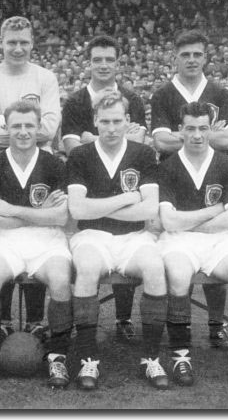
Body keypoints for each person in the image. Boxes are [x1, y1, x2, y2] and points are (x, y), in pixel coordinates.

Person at [66, 92, 168, 390]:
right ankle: (88, 359)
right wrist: (125, 198)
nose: (111, 127)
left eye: (117, 121)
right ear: (95, 121)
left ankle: (151, 358)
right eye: (105, 121)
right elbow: (77, 210)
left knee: (154, 268)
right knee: (85, 270)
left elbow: (149, 209)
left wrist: (99, 204)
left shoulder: (143, 154)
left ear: (128, 122)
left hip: (135, 236)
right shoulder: (80, 155)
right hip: (91, 235)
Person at [158, 101, 228, 387]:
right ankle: (181, 355)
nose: (197, 135)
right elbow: (169, 222)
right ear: (181, 130)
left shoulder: (227, 164)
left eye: (203, 128)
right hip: (178, 242)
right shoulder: (167, 167)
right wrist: (215, 211)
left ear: (211, 129)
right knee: (179, 277)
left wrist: (189, 220)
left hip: (218, 241)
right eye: (190, 128)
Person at [0, 16, 60, 339]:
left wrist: (5, 123)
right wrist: (24, 130)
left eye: (24, 42)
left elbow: (49, 128)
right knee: (1, 238)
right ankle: (4, 319)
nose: (18, 48)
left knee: (37, 233)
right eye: (11, 42)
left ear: (32, 43)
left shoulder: (45, 78)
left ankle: (35, 318)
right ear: (1, 43)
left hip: (37, 166)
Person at [0, 100, 73, 388]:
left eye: (29, 125)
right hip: (4, 242)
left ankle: (58, 357)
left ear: (39, 128)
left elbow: (61, 217)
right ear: (6, 127)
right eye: (16, 125)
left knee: (59, 281)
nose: (23, 131)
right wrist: (40, 215)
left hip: (48, 242)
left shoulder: (54, 164)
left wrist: (12, 209)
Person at [150, 30, 228, 350]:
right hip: (175, 178)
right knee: (178, 256)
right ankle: (179, 328)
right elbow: (160, 142)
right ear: (175, 57)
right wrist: (205, 134)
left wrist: (183, 135)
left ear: (205, 57)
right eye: (185, 54)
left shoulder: (220, 93)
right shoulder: (163, 94)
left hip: (212, 174)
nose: (191, 60)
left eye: (197, 54)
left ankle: (216, 326)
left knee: (216, 248)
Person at [61, 34, 148, 342]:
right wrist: (99, 141)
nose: (103, 65)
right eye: (97, 59)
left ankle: (123, 318)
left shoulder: (132, 98)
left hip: (126, 176)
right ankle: (85, 327)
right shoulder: (75, 101)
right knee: (94, 251)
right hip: (90, 179)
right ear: (89, 62)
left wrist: (92, 136)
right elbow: (72, 146)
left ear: (118, 62)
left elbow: (138, 144)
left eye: (109, 59)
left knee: (129, 239)